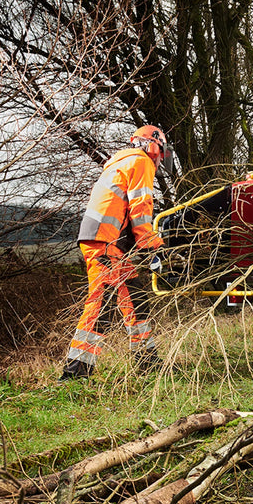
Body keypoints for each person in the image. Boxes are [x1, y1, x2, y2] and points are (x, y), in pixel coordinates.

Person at [59, 125, 171, 381]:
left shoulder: (122, 162)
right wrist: (154, 247)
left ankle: (147, 362)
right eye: (160, 152)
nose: (160, 159)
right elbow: (140, 212)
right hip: (104, 244)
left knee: (135, 297)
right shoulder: (140, 162)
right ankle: (74, 374)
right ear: (153, 146)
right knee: (102, 305)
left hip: (109, 245)